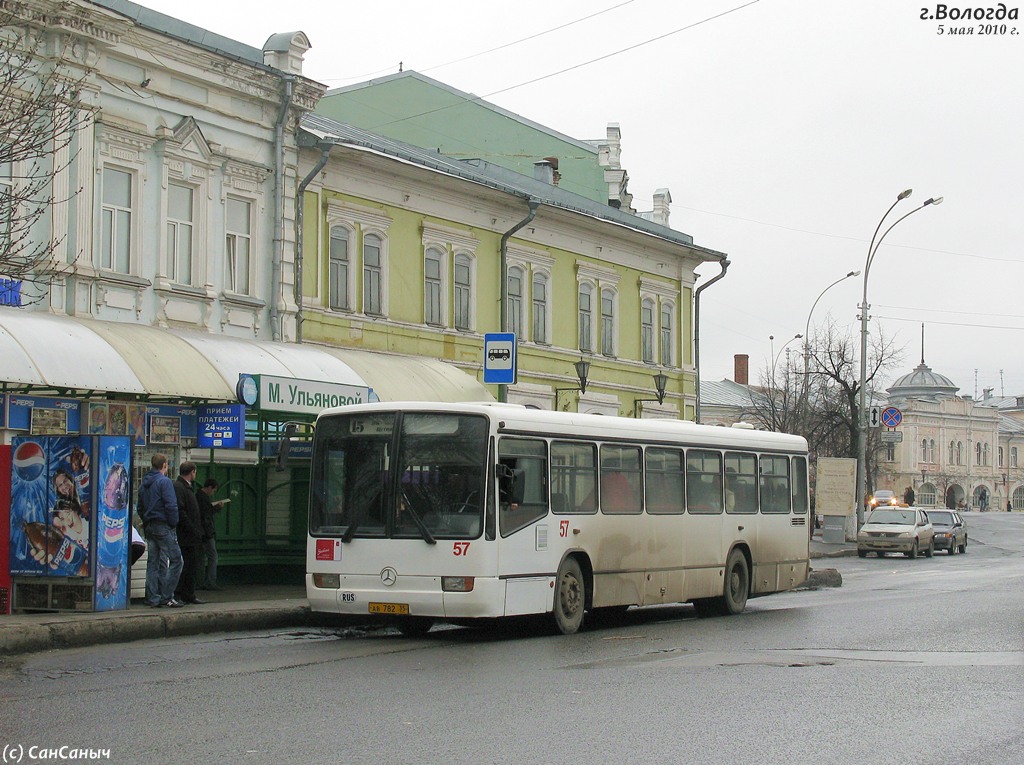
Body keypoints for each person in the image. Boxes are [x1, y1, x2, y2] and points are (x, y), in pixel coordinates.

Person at [138, 453, 184, 608]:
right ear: (165, 465)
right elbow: (171, 505)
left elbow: (139, 507)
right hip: (163, 525)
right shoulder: (164, 482)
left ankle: (153, 597)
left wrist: (146, 520)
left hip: (149, 526)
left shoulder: (143, 484)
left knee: (153, 563)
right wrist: (173, 523)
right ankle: (167, 596)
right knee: (177, 560)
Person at [172, 462, 205, 605]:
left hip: (190, 533)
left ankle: (188, 593)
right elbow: (181, 511)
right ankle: (181, 593)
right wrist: (193, 528)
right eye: (194, 472)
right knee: (186, 565)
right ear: (192, 472)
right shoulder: (180, 487)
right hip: (186, 534)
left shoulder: (185, 487)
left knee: (191, 565)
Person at [196, 477, 222, 591]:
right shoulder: (204, 498)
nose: (213, 493)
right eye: (214, 490)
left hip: (199, 532)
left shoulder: (197, 495)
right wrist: (217, 508)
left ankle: (199, 582)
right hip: (206, 532)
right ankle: (210, 582)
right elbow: (206, 514)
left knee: (200, 558)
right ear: (210, 488)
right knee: (213, 556)